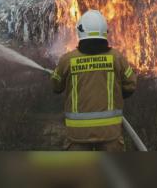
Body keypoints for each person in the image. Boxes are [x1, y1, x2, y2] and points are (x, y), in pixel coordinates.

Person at [52, 9, 137, 151]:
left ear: (80, 31)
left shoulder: (67, 60)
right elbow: (130, 86)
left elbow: (56, 86)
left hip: (77, 134)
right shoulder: (117, 58)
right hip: (109, 133)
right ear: (105, 32)